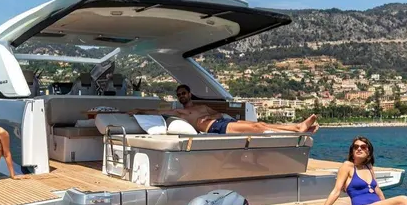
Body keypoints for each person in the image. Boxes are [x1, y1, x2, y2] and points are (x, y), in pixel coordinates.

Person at [134, 84, 319, 134]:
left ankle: (298, 128)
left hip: (223, 122)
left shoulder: (203, 106)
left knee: (259, 123)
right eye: (179, 94)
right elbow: (156, 113)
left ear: (190, 94)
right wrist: (135, 111)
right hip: (215, 128)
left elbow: (217, 113)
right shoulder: (179, 112)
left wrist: (218, 115)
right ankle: (297, 127)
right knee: (258, 128)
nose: (181, 96)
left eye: (184, 93)